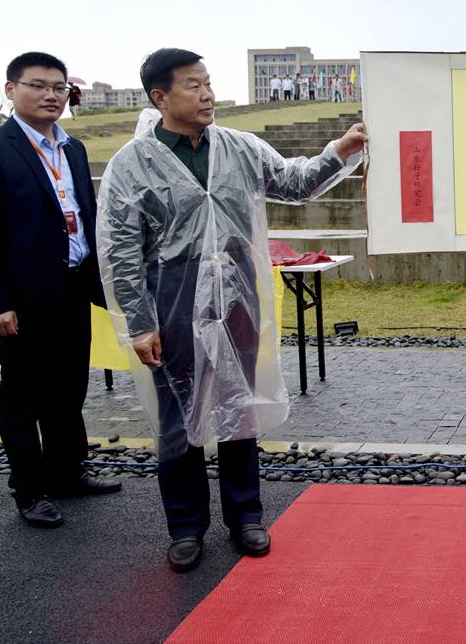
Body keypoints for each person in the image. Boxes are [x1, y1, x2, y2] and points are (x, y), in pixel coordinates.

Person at [97, 48, 368, 573]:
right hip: (171, 291)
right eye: (193, 85)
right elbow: (122, 250)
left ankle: (245, 514)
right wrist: (140, 323)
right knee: (177, 412)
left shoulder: (239, 147)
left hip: (238, 286)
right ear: (160, 97)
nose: (207, 94)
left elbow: (294, 182)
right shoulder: (132, 164)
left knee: (238, 402)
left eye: (208, 83)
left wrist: (341, 149)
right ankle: (185, 526)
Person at [0, 52, 120, 529]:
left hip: (71, 287)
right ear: (11, 90)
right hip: (23, 297)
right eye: (38, 86)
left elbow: (84, 216)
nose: (51, 95)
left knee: (69, 387)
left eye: (58, 87)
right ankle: (29, 490)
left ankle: (67, 472)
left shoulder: (71, 148)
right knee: (21, 398)